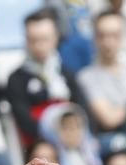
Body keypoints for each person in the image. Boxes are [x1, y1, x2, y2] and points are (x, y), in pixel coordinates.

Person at [7, 10, 85, 144]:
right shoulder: (16, 79)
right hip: (41, 144)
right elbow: (25, 122)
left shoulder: (67, 73)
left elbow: (83, 110)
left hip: (76, 141)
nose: (39, 46)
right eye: (33, 40)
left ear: (55, 38)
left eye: (44, 39)